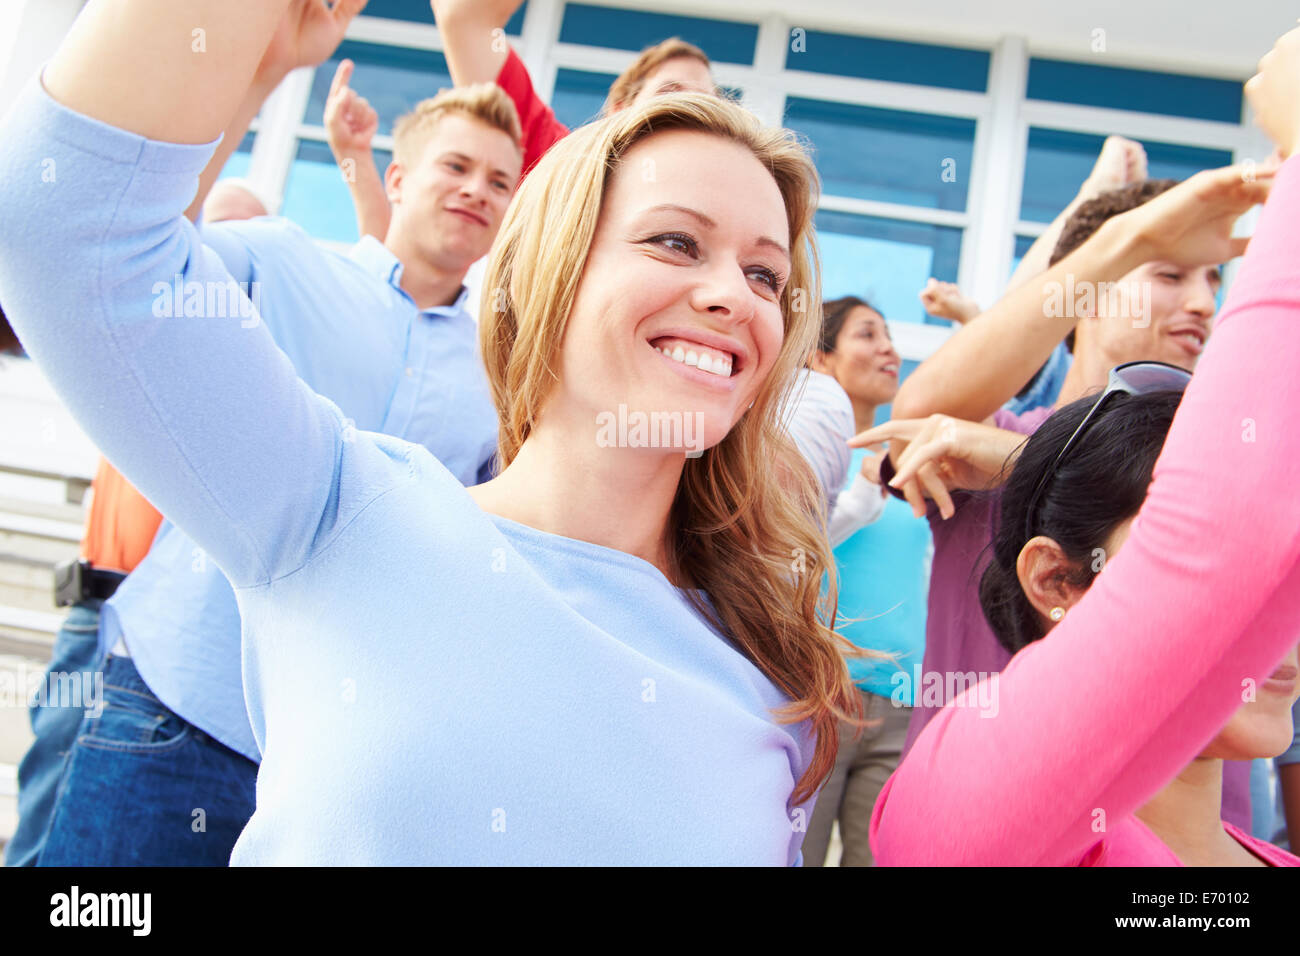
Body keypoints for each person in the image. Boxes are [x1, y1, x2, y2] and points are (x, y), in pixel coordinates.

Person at [0, 0, 857, 865]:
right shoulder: (341, 513)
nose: (734, 296)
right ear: (546, 276)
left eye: (764, 273)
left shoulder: (773, 682)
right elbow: (70, 225)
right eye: (675, 241)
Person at [23, 0, 529, 866]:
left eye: (500, 181)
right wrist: (262, 73)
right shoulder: (286, 261)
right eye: (457, 165)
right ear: (396, 177)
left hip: (336, 765)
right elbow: (135, 250)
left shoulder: (502, 376)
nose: (477, 190)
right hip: (171, 714)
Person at [866, 23, 1300, 865]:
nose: (1205, 305)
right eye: (1171, 275)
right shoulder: (973, 441)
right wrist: (1128, 233)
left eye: (1217, 281)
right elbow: (923, 404)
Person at [5, 173, 269, 866]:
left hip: (161, 641)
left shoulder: (243, 378)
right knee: (49, 784)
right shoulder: (148, 353)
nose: (213, 252)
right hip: (97, 608)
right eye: (211, 235)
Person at [329, 0, 718, 241]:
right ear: (620, 110)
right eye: (672, 93)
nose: (692, 112)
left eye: (709, 105)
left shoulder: (730, 216)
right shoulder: (563, 164)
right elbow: (463, 15)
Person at [800, 296, 930, 867]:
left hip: (901, 700)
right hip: (822, 697)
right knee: (794, 854)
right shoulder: (802, 459)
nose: (889, 350)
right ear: (821, 360)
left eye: (890, 337)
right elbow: (784, 557)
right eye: (866, 334)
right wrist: (861, 496)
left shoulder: (912, 469)